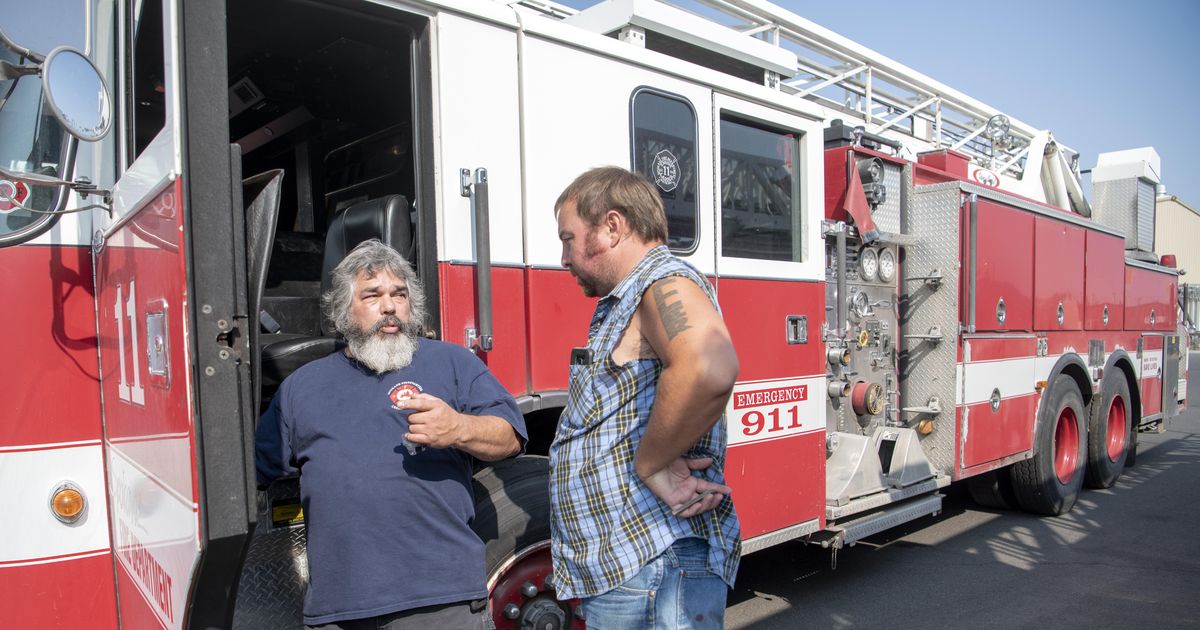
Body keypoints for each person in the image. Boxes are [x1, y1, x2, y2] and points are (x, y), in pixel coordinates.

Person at [256, 239, 526, 629]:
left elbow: (510, 436)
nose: (389, 307)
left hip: (441, 604)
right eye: (372, 295)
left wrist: (459, 428)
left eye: (399, 294)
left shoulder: (452, 362)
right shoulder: (301, 388)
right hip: (341, 610)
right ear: (343, 310)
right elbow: (251, 473)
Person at [548, 166, 741, 629]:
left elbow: (708, 367)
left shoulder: (662, 283)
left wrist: (651, 463)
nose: (564, 258)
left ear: (612, 227)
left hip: (653, 566)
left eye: (569, 238)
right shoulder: (632, 296)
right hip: (637, 568)